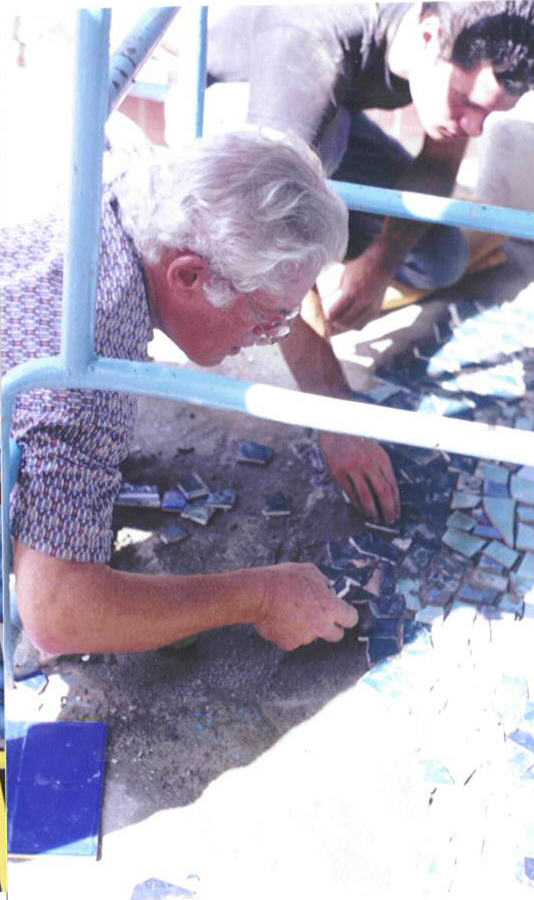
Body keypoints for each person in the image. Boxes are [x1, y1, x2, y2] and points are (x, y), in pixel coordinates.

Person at [165, 1, 534, 521]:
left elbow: (438, 162)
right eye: (465, 101)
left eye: (490, 113)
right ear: (428, 38)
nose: (474, 126)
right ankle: (300, 251)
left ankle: (326, 228)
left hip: (328, 114)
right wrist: (335, 415)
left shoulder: (456, 33)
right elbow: (265, 234)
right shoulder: (314, 35)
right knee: (278, 215)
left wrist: (380, 264)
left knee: (440, 258)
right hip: (231, 109)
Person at [1, 123, 359, 657]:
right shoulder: (89, 357)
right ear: (189, 276)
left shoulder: (128, 160)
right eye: (267, 319)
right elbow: (59, 613)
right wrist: (259, 597)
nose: (264, 340)